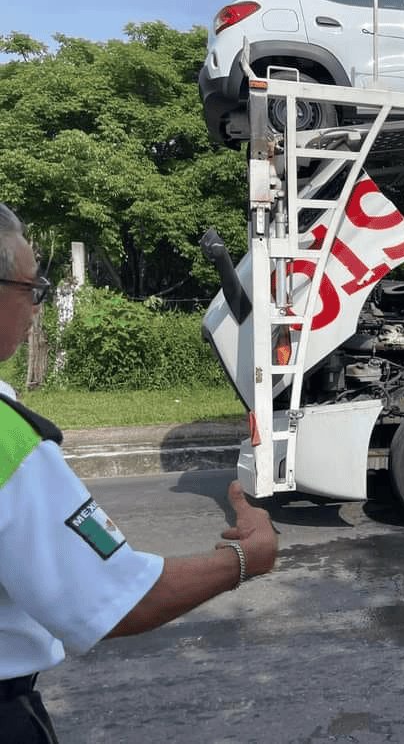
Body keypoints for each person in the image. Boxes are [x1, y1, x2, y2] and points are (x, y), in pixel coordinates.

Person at [0, 203, 278, 743]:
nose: (37, 307)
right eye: (32, 289)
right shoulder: (10, 444)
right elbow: (119, 597)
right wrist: (247, 558)